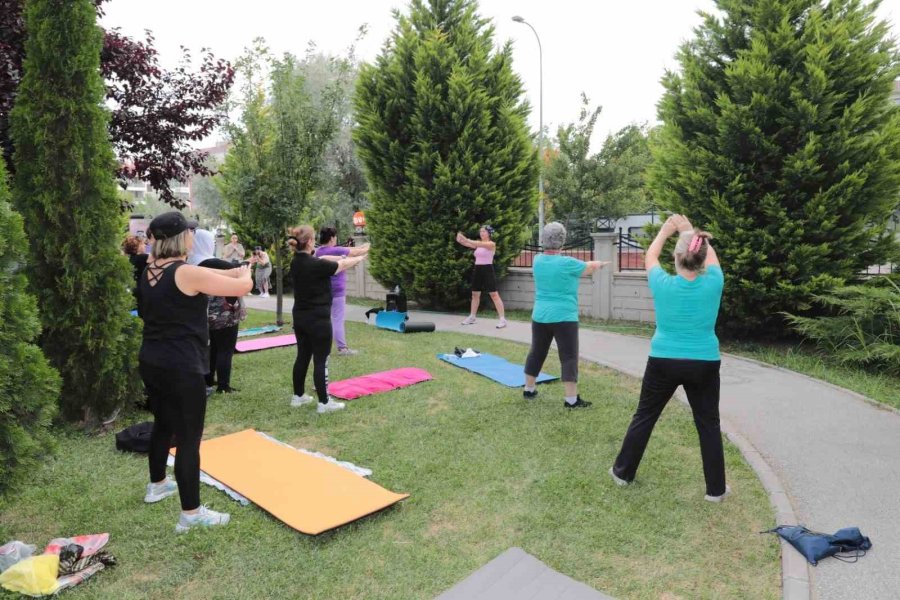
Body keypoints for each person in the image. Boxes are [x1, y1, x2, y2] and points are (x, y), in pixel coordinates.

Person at [138, 211, 253, 532]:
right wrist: (246, 273)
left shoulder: (150, 269)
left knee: (163, 424)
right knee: (189, 439)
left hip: (152, 359)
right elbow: (241, 288)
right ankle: (191, 514)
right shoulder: (186, 272)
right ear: (181, 238)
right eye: (189, 232)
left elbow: (221, 281)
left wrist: (235, 273)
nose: (192, 235)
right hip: (181, 364)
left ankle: (157, 484)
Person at [609, 214, 729, 502]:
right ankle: (716, 491)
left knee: (645, 415)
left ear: (676, 258)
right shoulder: (714, 280)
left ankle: (622, 473)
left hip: (664, 360)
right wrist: (689, 231)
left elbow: (649, 255)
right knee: (708, 423)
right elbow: (709, 256)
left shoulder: (662, 283)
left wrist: (667, 230)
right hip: (704, 362)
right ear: (701, 258)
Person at [523, 222, 608, 409]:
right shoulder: (567, 263)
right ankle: (571, 400)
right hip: (564, 317)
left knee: (536, 352)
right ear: (562, 240)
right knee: (568, 356)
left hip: (540, 316)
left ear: (544, 239)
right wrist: (601, 264)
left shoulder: (537, 260)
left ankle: (529, 389)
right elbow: (589, 268)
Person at [288, 225, 367, 413]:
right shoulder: (316, 265)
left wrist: (345, 256)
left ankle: (298, 397)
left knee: (302, 356)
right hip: (318, 318)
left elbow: (325, 258)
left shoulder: (296, 262)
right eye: (313, 238)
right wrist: (359, 258)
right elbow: (340, 266)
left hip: (300, 316)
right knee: (321, 360)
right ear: (308, 241)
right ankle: (324, 403)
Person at [187, 229, 246, 395]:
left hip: (203, 312)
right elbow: (237, 270)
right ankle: (223, 385)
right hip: (223, 311)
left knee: (211, 347)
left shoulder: (191, 262)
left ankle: (208, 380)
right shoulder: (211, 262)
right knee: (225, 348)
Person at [315, 227, 370, 356]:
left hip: (323, 291)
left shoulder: (318, 252)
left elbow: (354, 250)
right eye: (335, 237)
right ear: (332, 238)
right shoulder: (337, 250)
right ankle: (342, 348)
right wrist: (369, 246)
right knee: (337, 319)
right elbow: (358, 252)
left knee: (324, 319)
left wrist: (362, 247)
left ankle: (319, 345)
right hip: (337, 292)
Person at [456, 225, 507, 328]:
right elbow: (467, 243)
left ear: (489, 233)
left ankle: (502, 319)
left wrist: (466, 239)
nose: (481, 233)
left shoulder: (491, 244)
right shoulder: (479, 245)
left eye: (483, 231)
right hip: (478, 269)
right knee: (475, 294)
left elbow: (475, 243)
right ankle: (472, 317)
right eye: (480, 231)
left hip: (488, 269)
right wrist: (460, 239)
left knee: (494, 294)